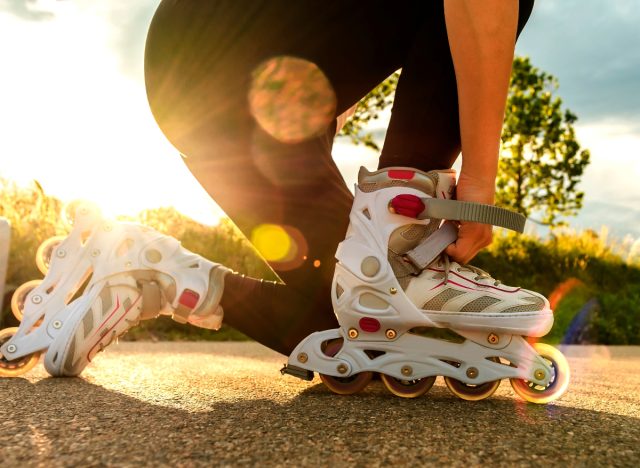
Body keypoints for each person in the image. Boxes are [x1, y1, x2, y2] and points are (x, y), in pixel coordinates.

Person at [142, 0, 535, 355]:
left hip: (217, 93)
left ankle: (157, 271)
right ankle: (400, 241)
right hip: (219, 47)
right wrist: (479, 184)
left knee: (360, 315)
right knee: (378, 293)